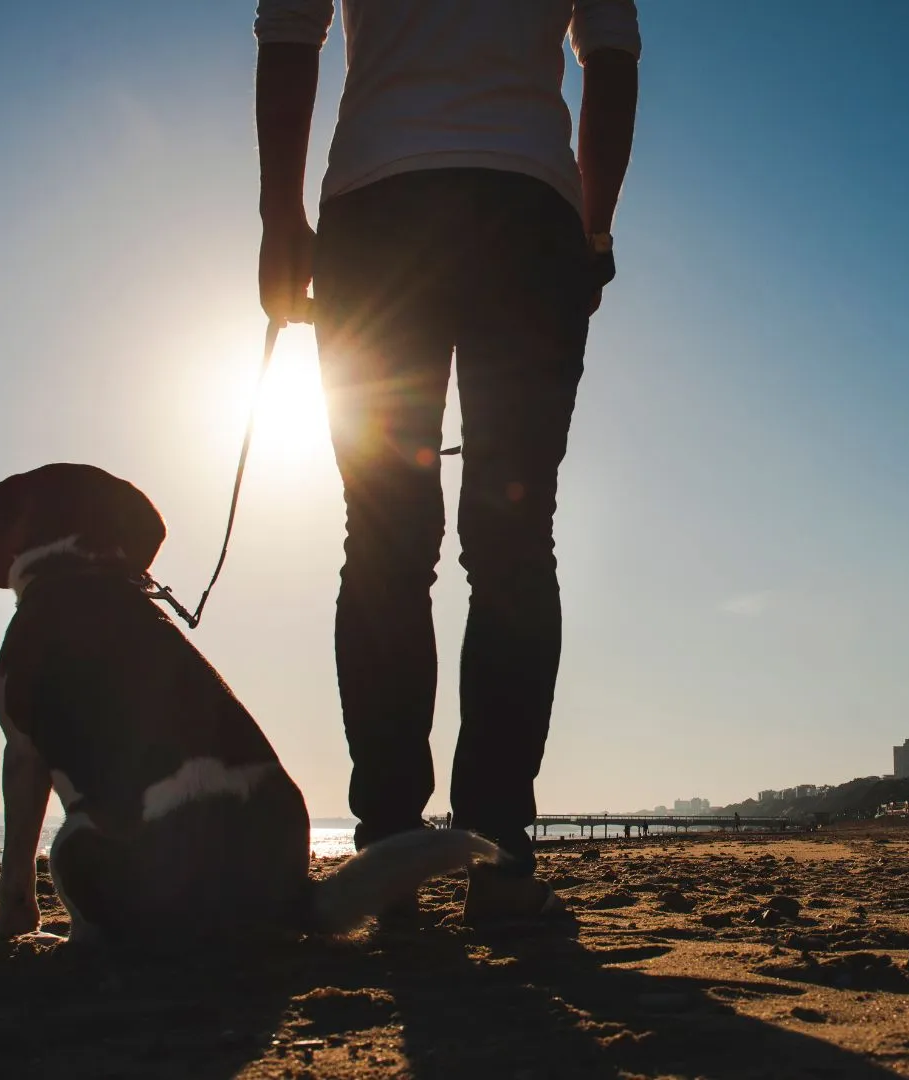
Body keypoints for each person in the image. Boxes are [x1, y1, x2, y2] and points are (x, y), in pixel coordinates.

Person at [252, 0, 640, 923]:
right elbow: (613, 57)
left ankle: (391, 851)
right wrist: (591, 228)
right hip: (527, 214)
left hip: (378, 212)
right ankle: (499, 857)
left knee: (387, 542)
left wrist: (280, 219)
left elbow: (288, 35)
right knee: (510, 541)